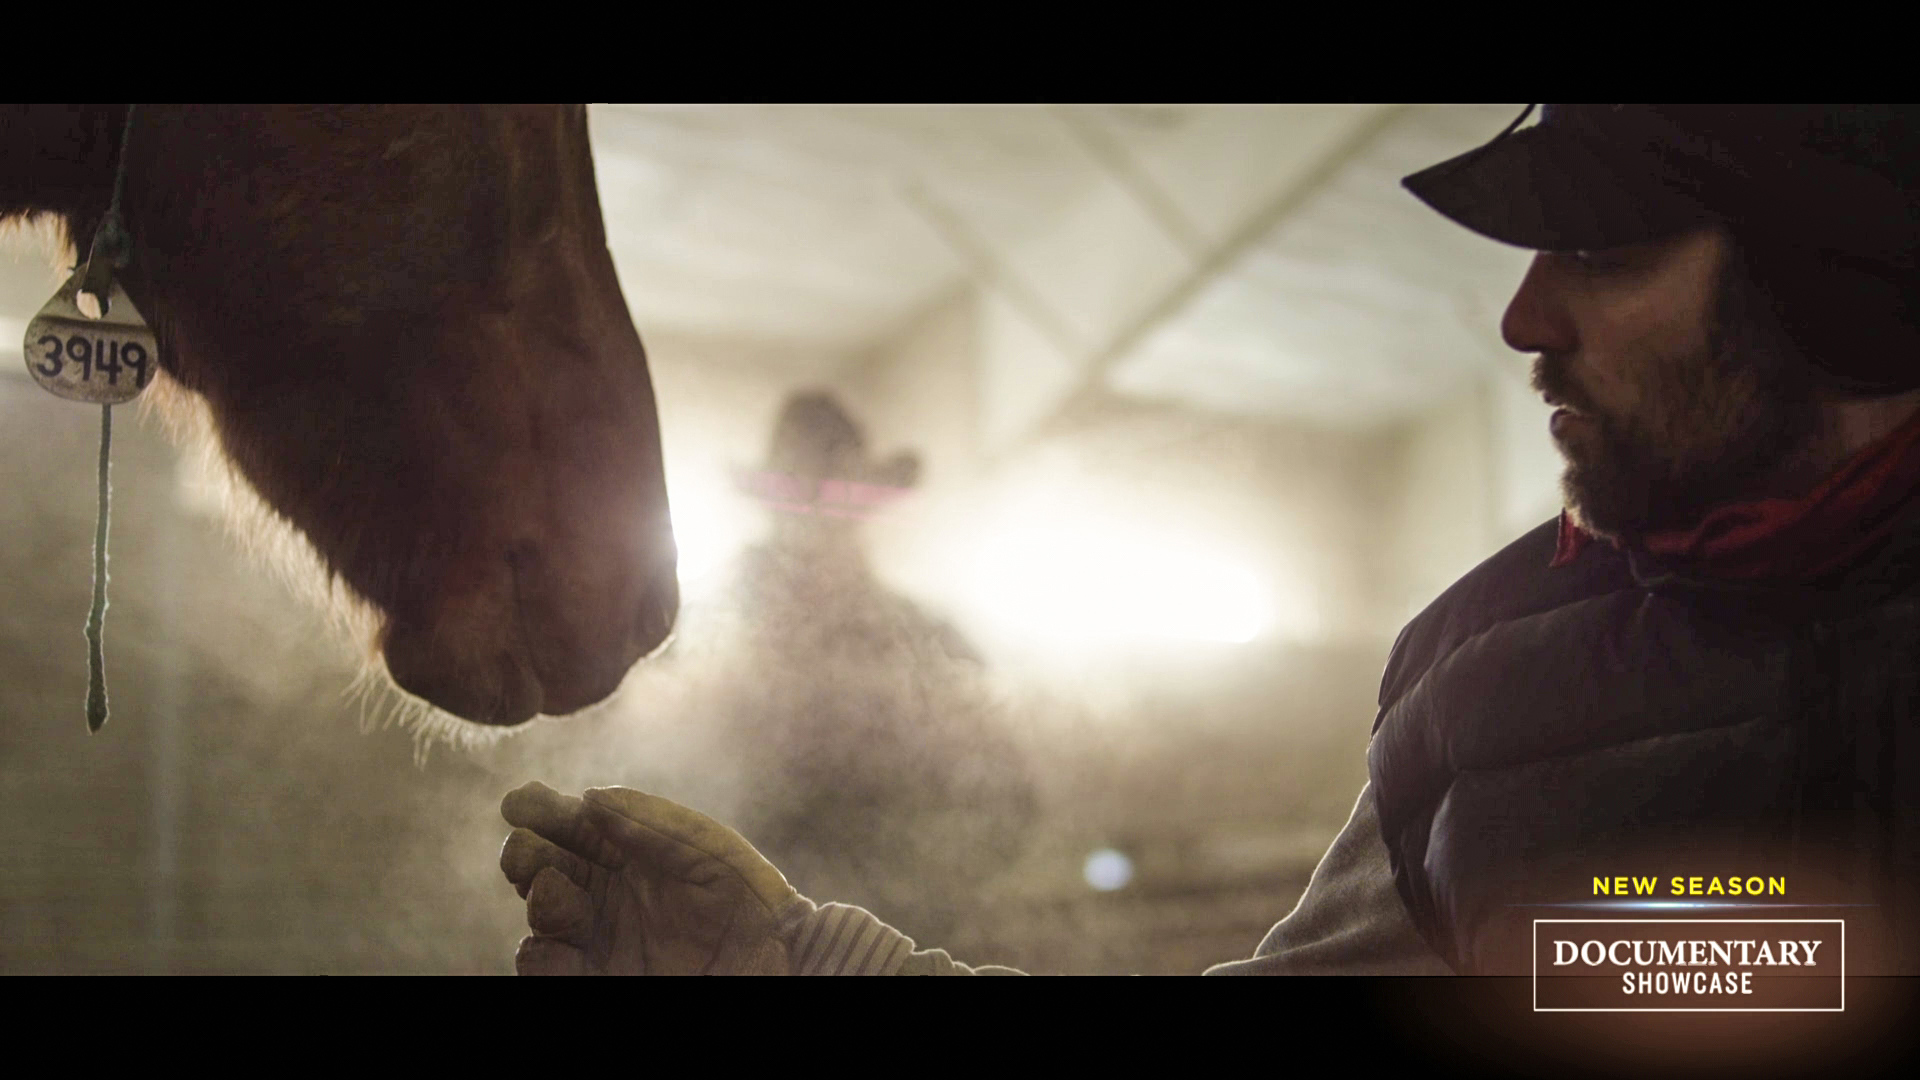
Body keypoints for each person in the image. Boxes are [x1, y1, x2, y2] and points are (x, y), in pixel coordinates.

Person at [497, 105, 1920, 975]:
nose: (1520, 317)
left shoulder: (933, 650)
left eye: (1605, 254)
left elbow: (994, 803)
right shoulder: (1489, 679)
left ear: (1828, 270)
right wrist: (799, 962)